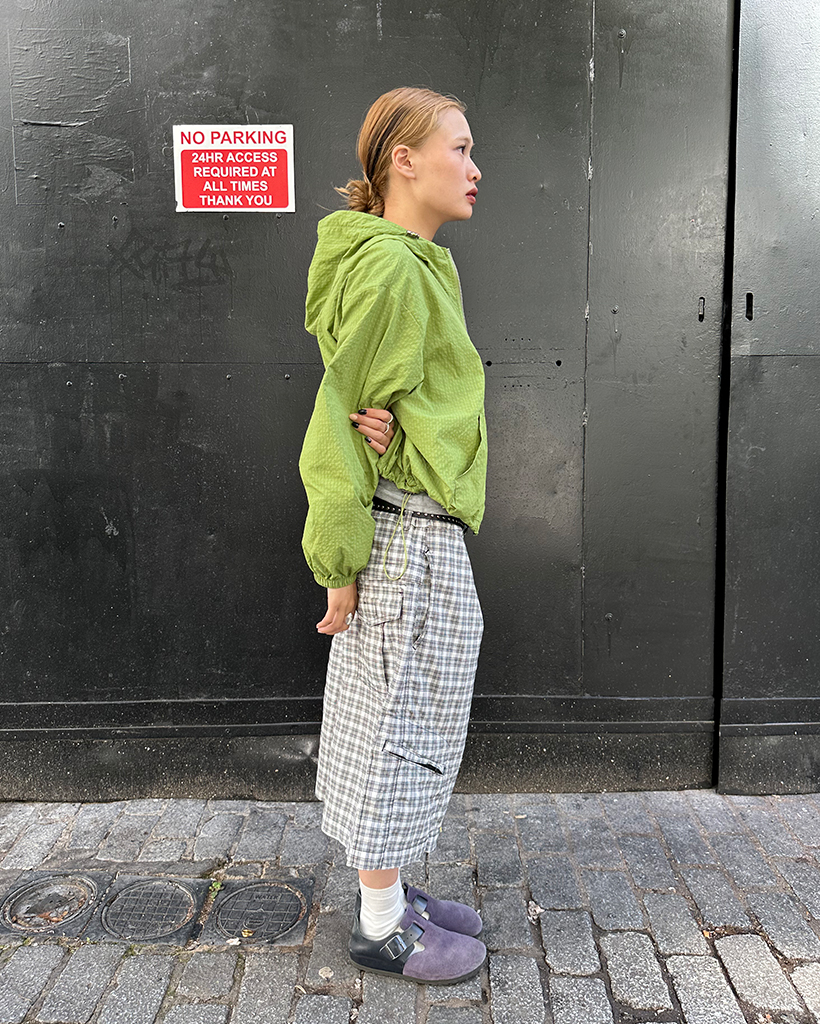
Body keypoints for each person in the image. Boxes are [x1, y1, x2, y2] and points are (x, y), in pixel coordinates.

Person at [299, 86, 487, 985]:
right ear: (403, 161)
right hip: (405, 540)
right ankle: (380, 926)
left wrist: (399, 435)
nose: (475, 168)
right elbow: (336, 421)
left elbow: (383, 405)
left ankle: (394, 892)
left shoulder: (408, 262)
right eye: (460, 147)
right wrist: (339, 565)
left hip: (414, 527)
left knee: (405, 714)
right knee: (395, 723)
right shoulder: (394, 270)